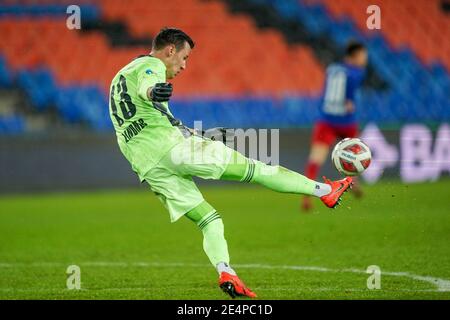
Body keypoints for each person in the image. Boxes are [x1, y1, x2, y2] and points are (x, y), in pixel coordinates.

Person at [109, 27, 353, 298]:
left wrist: (201, 135)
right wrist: (154, 91)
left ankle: (227, 272)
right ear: (170, 50)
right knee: (258, 170)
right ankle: (326, 192)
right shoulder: (151, 64)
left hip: (148, 165)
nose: (184, 65)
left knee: (209, 221)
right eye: (184, 57)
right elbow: (148, 88)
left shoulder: (119, 79)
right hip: (173, 149)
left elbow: (150, 124)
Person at [302, 41, 367, 212]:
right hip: (346, 121)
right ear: (356, 55)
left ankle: (306, 196)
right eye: (363, 55)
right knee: (354, 156)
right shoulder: (356, 73)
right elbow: (349, 101)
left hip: (326, 120)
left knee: (316, 158)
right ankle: (354, 184)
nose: (364, 59)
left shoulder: (332, 69)